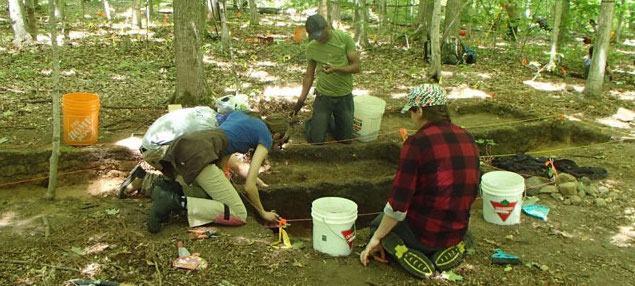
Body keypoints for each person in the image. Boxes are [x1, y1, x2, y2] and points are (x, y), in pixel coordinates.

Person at [359, 84, 480, 279]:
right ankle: (450, 249)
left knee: (378, 225)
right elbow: (473, 187)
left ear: (420, 110)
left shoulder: (417, 143)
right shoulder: (467, 137)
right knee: (456, 231)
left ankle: (405, 252)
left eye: (411, 113)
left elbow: (398, 204)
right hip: (457, 228)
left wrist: (377, 237)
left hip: (424, 233)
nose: (411, 118)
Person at [142, 111, 290, 233]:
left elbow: (224, 155)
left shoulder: (242, 115)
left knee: (208, 196)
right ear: (277, 134)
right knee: (239, 213)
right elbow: (249, 186)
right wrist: (263, 213)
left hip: (186, 143)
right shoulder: (266, 136)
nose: (277, 145)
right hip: (200, 154)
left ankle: (166, 190)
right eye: (280, 142)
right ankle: (172, 202)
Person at [291, 14, 360, 144]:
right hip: (323, 96)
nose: (318, 40)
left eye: (320, 36)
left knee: (345, 140)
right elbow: (309, 75)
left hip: (344, 96)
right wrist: (300, 102)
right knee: (316, 140)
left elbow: (356, 67)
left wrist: (337, 69)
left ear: (327, 27)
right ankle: (317, 122)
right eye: (314, 37)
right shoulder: (311, 47)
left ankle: (328, 120)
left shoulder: (344, 39)